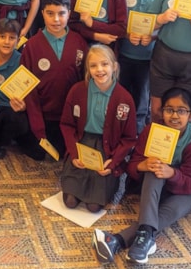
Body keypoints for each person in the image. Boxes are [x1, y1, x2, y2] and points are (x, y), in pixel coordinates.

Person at [93, 87, 191, 265]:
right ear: (161, 111)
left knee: (170, 212)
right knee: (155, 170)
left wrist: (172, 173)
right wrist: (143, 165)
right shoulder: (152, 130)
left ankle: (117, 241)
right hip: (152, 184)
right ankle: (143, 240)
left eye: (181, 111)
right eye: (169, 110)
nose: (174, 116)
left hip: (182, 190)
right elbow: (134, 164)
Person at [59, 45, 137, 213]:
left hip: (107, 149)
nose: (99, 70)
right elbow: (67, 124)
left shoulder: (125, 98)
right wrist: (74, 154)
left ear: (114, 67)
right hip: (82, 143)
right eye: (93, 65)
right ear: (88, 69)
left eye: (104, 64)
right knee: (70, 202)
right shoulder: (77, 91)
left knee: (94, 206)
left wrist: (113, 162)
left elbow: (129, 138)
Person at [16, 0, 88, 155]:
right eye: (50, 13)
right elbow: (28, 89)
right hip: (42, 115)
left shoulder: (79, 43)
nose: (56, 20)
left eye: (61, 14)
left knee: (64, 152)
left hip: (68, 116)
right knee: (39, 154)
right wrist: (37, 126)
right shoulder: (32, 45)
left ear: (69, 13)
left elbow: (84, 82)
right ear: (42, 13)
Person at [0, 19, 45, 162]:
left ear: (18, 40)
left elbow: (29, 91)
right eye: (2, 37)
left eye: (12, 38)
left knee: (39, 153)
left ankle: (7, 138)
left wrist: (24, 105)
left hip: (11, 109)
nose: (7, 42)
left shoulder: (22, 60)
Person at [117, 0, 163, 132]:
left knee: (142, 101)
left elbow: (167, 26)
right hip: (123, 55)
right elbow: (114, 21)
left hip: (149, 58)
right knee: (121, 97)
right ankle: (119, 133)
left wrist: (152, 37)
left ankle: (136, 137)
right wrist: (127, 34)